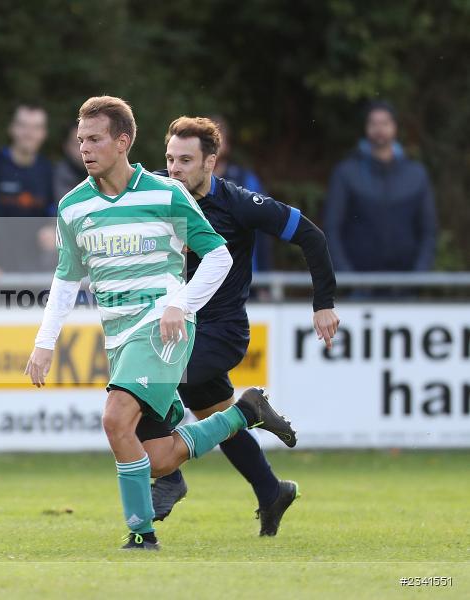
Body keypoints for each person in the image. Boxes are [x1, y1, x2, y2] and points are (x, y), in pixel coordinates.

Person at [24, 97, 297, 550]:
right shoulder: (72, 207)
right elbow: (66, 278)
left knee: (115, 420)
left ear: (123, 141)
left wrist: (182, 305)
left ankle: (141, 534)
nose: (85, 149)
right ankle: (246, 411)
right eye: (80, 141)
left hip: (163, 329)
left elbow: (218, 256)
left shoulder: (166, 194)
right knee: (158, 458)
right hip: (120, 336)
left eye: (95, 139)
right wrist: (44, 342)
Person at [150, 116, 339, 536]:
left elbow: (311, 236)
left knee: (155, 379)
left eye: (185, 160)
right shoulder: (157, 190)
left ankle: (168, 476)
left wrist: (323, 303)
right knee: (220, 417)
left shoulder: (238, 204)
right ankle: (272, 490)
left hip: (221, 332)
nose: (174, 168)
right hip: (178, 329)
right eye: (169, 159)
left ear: (210, 163)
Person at [324, 101, 437, 273]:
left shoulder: (416, 175)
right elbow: (331, 228)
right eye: (373, 123)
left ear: (395, 127)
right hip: (359, 287)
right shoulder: (346, 173)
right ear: (366, 127)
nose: (379, 129)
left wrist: (418, 275)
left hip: (405, 286)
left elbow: (429, 230)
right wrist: (347, 276)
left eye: (385, 123)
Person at [0, 105, 55, 281]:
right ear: (12, 128)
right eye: (23, 126)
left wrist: (52, 230)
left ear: (44, 133)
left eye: (36, 128)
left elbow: (53, 217)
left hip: (35, 276)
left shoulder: (47, 170)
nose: (29, 133)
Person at [211, 115, 272, 272]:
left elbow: (264, 227)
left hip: (245, 279)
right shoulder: (184, 183)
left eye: (217, 138)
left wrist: (264, 277)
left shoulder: (245, 180)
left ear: (227, 144)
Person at [52, 122, 88, 199]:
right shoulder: (59, 176)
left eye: (90, 142)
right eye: (78, 143)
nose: (84, 149)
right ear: (66, 147)